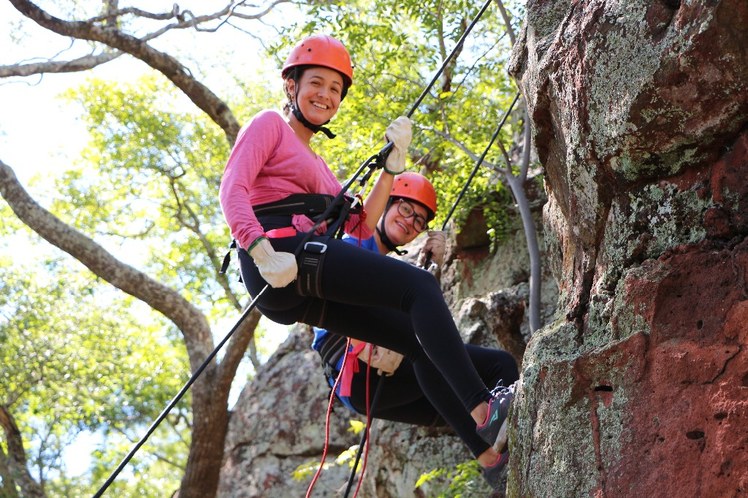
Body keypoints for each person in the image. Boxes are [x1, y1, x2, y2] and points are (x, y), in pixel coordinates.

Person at [219, 34, 516, 490]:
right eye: (316, 83)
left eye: (335, 90)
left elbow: (360, 227)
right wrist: (258, 247)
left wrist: (391, 169)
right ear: (291, 86)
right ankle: (483, 408)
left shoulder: (317, 167)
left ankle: (490, 458)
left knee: (416, 344)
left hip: (295, 282)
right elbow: (232, 188)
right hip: (278, 254)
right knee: (419, 289)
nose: (325, 95)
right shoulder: (268, 126)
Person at [311, 172, 519, 489]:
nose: (410, 222)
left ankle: (496, 464)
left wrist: (432, 269)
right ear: (386, 204)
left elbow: (419, 318)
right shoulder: (354, 244)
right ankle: (486, 425)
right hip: (358, 371)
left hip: (384, 383)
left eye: (419, 221)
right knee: (424, 349)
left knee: (500, 366)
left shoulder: (397, 270)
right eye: (405, 209)